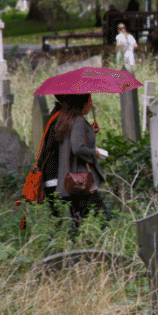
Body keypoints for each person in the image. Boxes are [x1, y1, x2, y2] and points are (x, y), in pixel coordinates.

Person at [37, 93, 110, 232]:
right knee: (101, 216)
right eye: (89, 100)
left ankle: (76, 246)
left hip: (69, 179)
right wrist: (95, 153)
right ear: (82, 102)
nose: (91, 104)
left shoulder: (65, 119)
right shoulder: (79, 120)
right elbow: (77, 148)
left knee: (78, 219)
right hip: (81, 178)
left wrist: (90, 132)